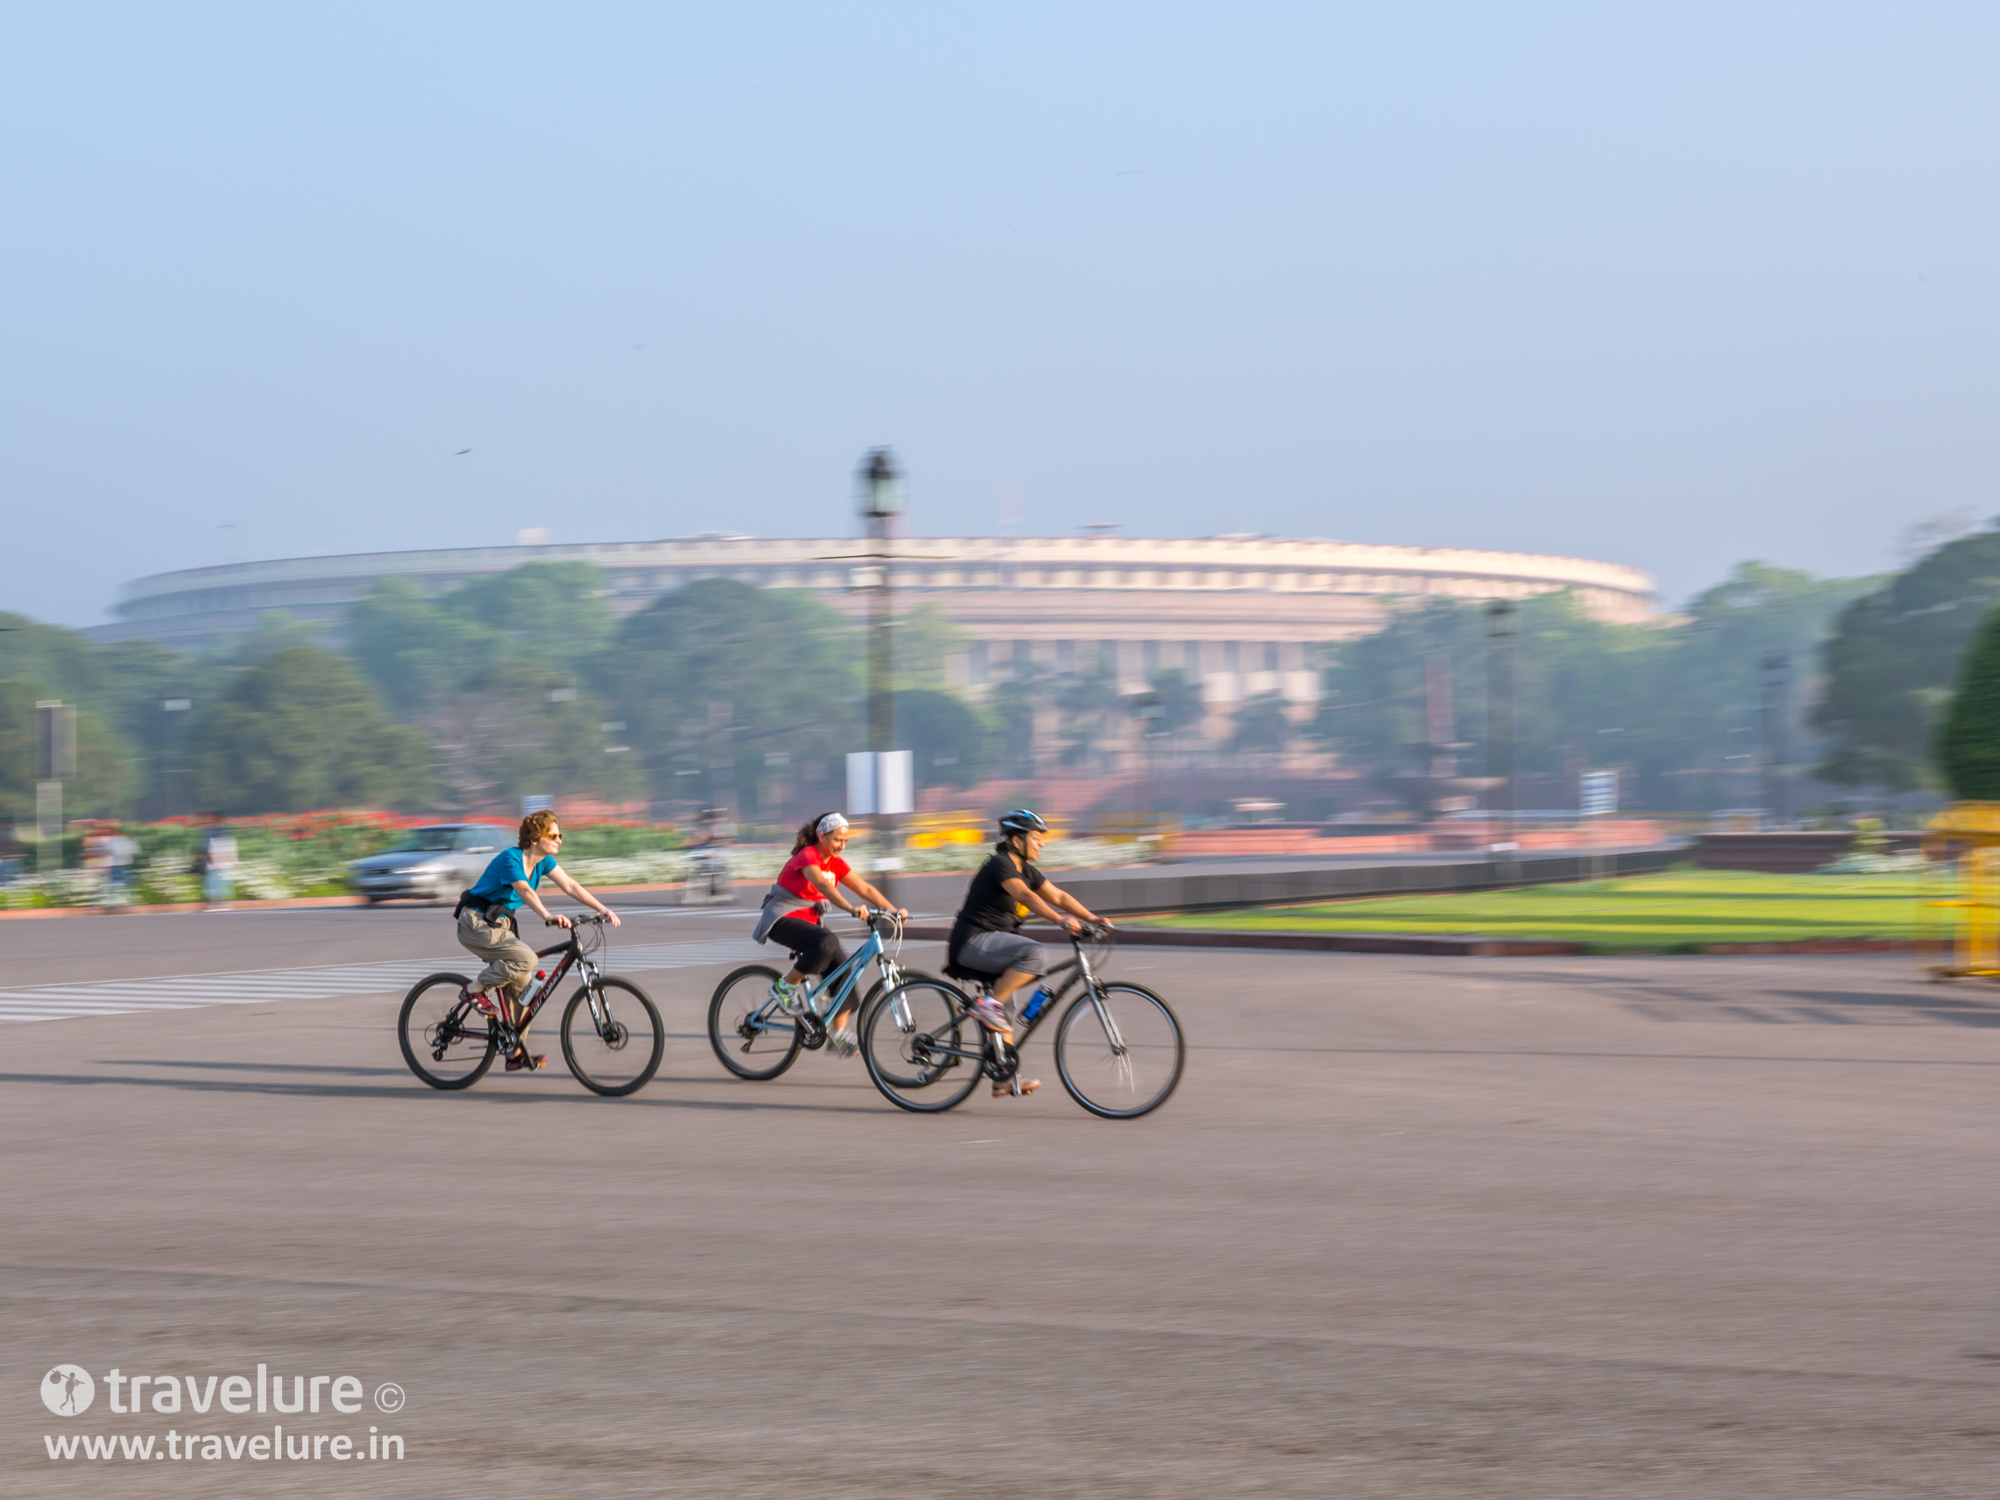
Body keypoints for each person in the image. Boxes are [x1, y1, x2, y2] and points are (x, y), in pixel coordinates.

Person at [945, 808, 1112, 1098]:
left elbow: (1058, 896)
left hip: (994, 945)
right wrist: (1060, 920)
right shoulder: (1001, 864)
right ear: (1015, 840)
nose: (1042, 843)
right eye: (1036, 837)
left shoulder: (1027, 870)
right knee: (1034, 954)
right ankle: (988, 1005)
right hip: (973, 942)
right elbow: (1025, 896)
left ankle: (1003, 1077)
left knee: (1005, 1010)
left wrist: (1092, 919)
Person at [456, 809, 621, 1072]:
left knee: (525, 986)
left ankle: (514, 1050)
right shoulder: (511, 859)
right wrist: (547, 915)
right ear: (535, 838)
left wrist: (602, 909)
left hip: (499, 924)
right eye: (554, 835)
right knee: (527, 959)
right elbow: (524, 889)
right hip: (475, 922)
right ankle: (473, 989)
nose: (559, 840)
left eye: (560, 835)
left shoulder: (543, 862)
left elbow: (571, 886)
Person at [751, 812, 906, 1056]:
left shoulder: (834, 862)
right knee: (826, 941)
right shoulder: (808, 856)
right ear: (822, 836)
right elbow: (823, 885)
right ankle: (784, 987)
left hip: (810, 924)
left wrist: (893, 910)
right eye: (837, 841)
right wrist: (850, 908)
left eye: (846, 842)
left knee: (844, 971)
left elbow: (864, 887)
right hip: (782, 919)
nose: (842, 846)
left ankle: (838, 1035)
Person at [199, 815, 238, 911]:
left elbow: (212, 847)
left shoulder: (213, 832)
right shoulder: (222, 831)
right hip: (219, 861)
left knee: (216, 881)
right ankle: (219, 901)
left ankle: (218, 902)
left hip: (217, 861)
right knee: (220, 881)